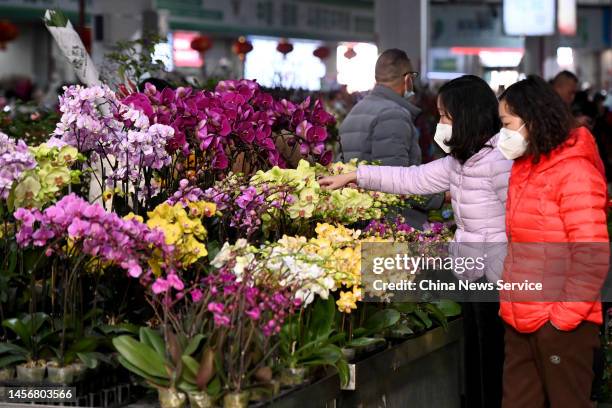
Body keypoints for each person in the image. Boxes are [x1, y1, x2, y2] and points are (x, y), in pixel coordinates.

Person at [320, 75, 512, 408]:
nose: (441, 123)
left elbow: (519, 218)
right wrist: (356, 176)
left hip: (498, 277)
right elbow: (411, 178)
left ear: (466, 115)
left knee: (495, 362)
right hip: (472, 273)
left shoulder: (499, 163)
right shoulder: (458, 163)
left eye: (446, 115)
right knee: (478, 357)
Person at [497, 75, 608, 408]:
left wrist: (561, 319)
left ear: (532, 120)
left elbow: (592, 256)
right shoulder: (525, 165)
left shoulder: (575, 172)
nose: (502, 133)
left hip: (562, 325)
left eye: (507, 124)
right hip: (520, 319)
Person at [338, 48, 443, 228]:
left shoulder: (357, 110)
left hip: (362, 221)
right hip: (390, 226)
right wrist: (442, 196)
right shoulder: (393, 115)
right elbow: (397, 180)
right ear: (407, 79)